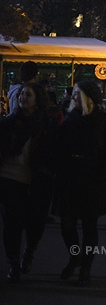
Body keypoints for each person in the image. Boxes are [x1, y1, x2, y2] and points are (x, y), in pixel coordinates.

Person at [56, 81, 106, 286]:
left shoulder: (102, 121)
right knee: (67, 224)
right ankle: (75, 257)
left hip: (92, 179)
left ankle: (86, 267)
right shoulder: (70, 119)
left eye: (76, 94)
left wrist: (103, 170)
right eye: (72, 94)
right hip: (70, 178)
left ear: (87, 98)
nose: (72, 98)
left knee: (90, 226)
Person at [0, 82, 55, 283]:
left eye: (28, 94)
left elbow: (53, 153)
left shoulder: (47, 126)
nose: (23, 97)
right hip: (10, 178)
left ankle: (29, 252)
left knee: (35, 224)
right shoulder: (9, 123)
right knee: (11, 225)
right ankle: (13, 263)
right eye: (22, 93)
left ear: (37, 99)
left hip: (37, 181)